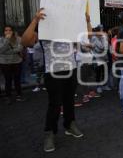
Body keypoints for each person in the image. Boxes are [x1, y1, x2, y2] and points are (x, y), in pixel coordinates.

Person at [21, 9, 85, 152]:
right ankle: (49, 133)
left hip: (71, 70)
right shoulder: (45, 30)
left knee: (69, 101)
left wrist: (86, 21)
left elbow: (86, 41)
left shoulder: (70, 30)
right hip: (53, 71)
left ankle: (69, 125)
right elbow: (25, 41)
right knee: (55, 104)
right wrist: (35, 20)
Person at [0, 25, 24, 104]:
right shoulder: (1, 39)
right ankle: (8, 96)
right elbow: (1, 50)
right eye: (6, 30)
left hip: (17, 62)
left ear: (12, 31)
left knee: (17, 79)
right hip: (5, 63)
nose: (8, 32)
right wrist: (7, 40)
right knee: (8, 80)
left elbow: (20, 48)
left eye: (10, 30)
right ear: (4, 32)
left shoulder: (18, 39)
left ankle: (19, 95)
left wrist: (8, 51)